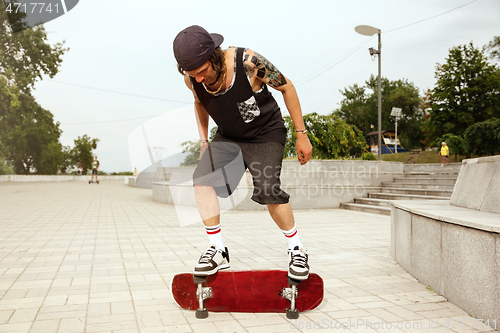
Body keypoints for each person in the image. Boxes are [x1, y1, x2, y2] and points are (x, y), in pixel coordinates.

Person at [173, 25, 313, 280]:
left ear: (214, 56)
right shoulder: (192, 78)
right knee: (201, 181)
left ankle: (297, 249)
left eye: (202, 71)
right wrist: (204, 140)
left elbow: (287, 87)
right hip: (229, 136)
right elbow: (198, 102)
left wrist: (301, 134)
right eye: (194, 75)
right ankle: (217, 250)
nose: (200, 79)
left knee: (269, 189)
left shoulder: (249, 63)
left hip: (265, 134)